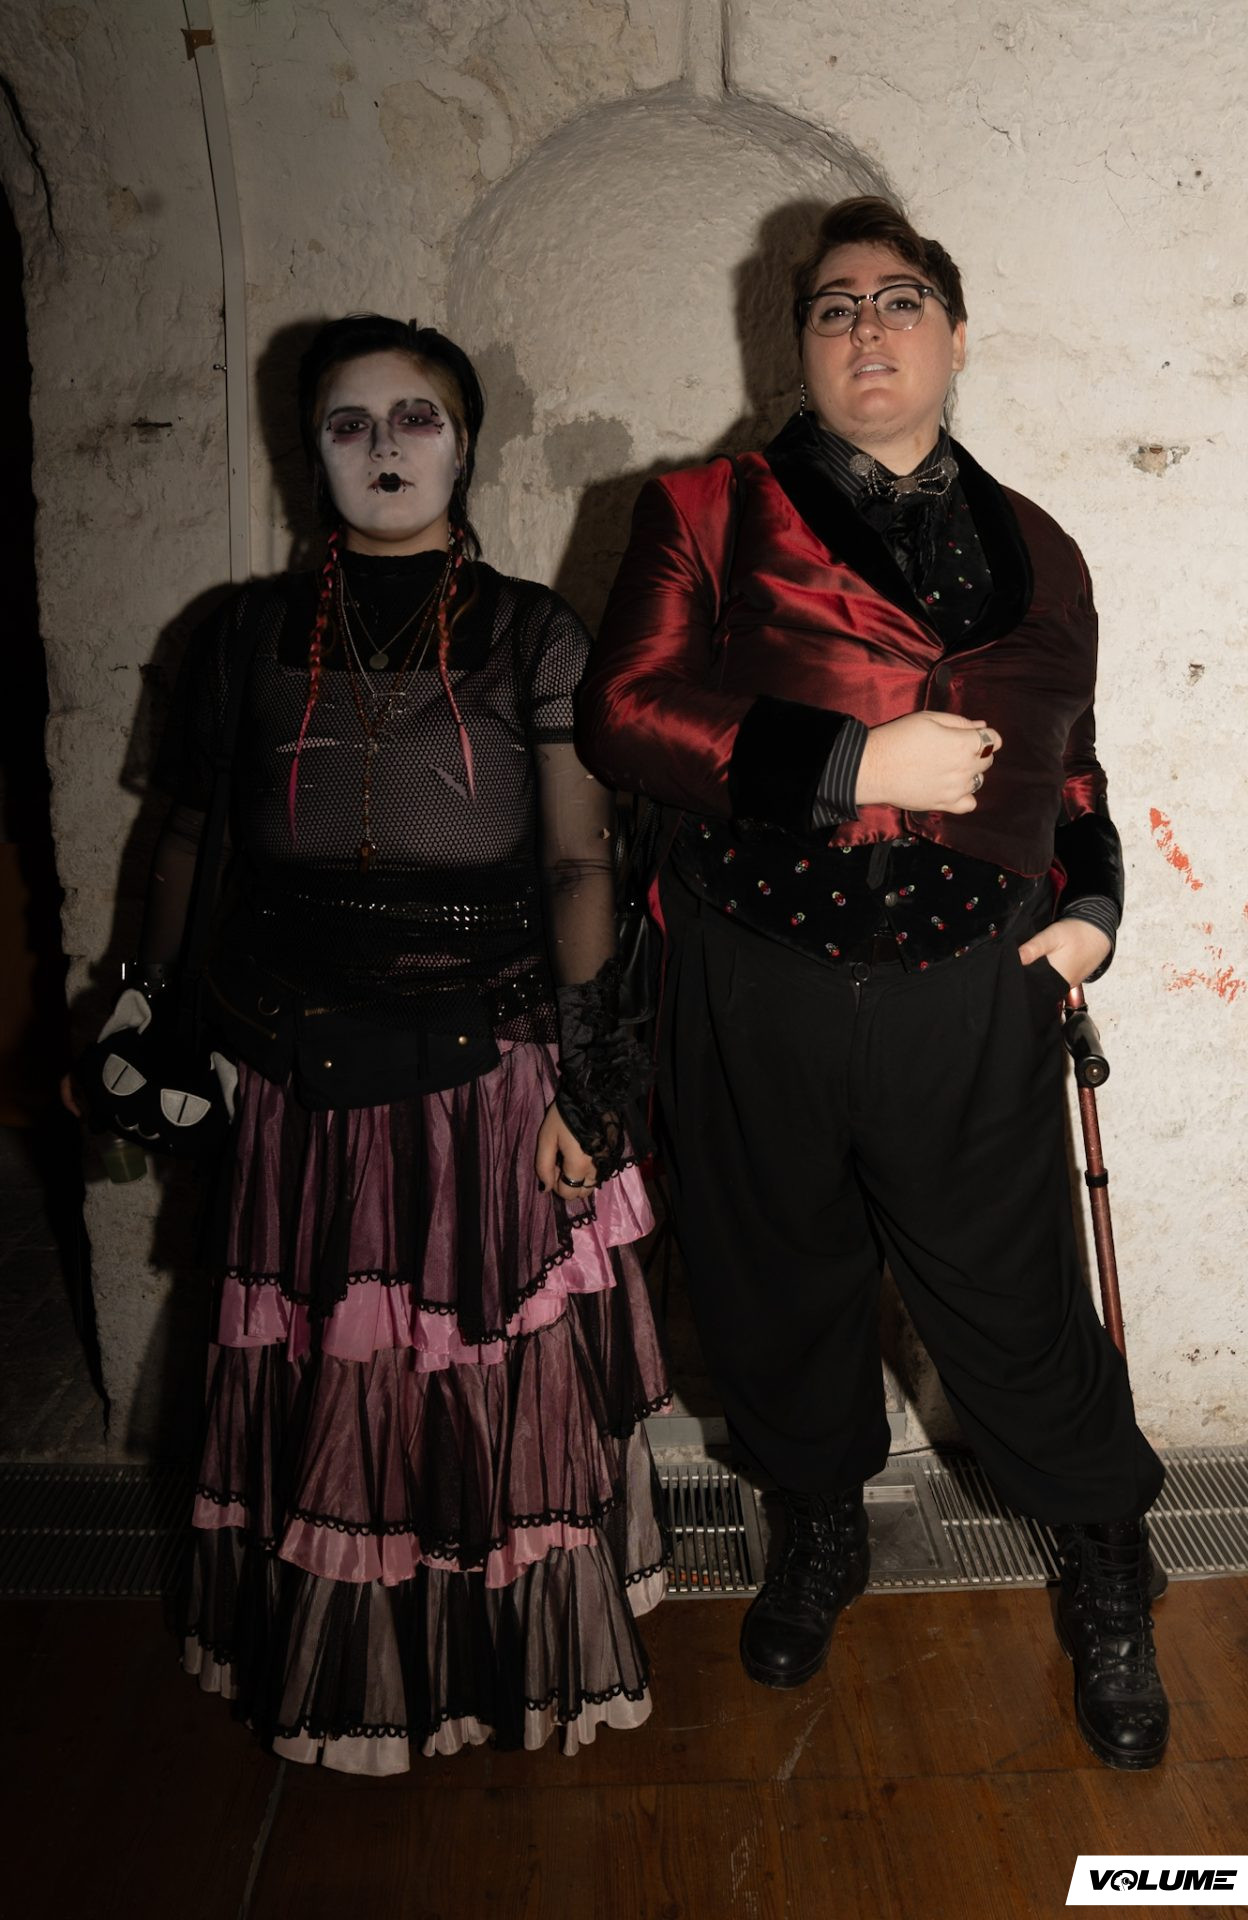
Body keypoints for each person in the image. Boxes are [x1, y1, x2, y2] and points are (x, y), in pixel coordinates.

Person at [576, 198, 1169, 1770]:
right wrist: (846, 763)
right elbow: (622, 712)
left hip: (967, 988)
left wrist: (1093, 906)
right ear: (802, 345)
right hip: (751, 972)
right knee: (775, 1288)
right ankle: (819, 1526)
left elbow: (1072, 764)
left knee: (1017, 1303)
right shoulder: (706, 508)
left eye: (900, 302)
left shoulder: (1044, 542)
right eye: (835, 308)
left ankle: (1109, 1565)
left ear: (955, 336)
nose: (868, 330)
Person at [93, 315, 668, 1772]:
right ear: (313, 453)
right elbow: (189, 838)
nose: (386, 448)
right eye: (350, 424)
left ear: (466, 447)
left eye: (418, 418)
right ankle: (359, 1668)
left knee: (480, 1379)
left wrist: (589, 1081)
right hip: (301, 1081)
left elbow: (581, 866)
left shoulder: (534, 633)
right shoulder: (238, 635)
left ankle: (493, 1665)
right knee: (336, 1377)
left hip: (490, 1074)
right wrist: (145, 1006)